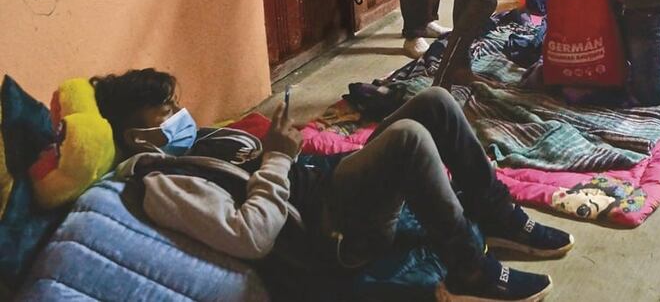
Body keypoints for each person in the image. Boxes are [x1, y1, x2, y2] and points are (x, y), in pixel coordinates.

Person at [94, 69, 572, 301]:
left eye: (176, 106)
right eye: (165, 113)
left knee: (436, 101)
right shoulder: (163, 183)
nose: (180, 116)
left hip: (323, 186)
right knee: (409, 138)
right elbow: (250, 235)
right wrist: (278, 157)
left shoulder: (196, 143)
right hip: (329, 234)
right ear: (136, 137)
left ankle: (496, 214)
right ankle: (469, 269)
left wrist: (284, 150)